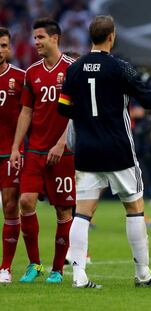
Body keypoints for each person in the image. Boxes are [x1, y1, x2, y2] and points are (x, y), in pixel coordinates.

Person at [57, 15, 151, 289]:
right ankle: (143, 274)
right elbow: (145, 97)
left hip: (87, 150)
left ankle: (80, 277)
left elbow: (63, 108)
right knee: (134, 209)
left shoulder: (75, 69)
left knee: (82, 213)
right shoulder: (120, 68)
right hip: (118, 149)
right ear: (111, 37)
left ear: (90, 36)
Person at [10, 18, 76, 284]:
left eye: (40, 37)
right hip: (35, 150)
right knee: (25, 201)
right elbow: (26, 111)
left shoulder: (72, 69)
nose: (35, 42)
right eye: (35, 38)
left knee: (63, 211)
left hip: (63, 151)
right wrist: (17, 147)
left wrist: (62, 142)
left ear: (55, 38)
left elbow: (77, 111)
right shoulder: (31, 72)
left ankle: (58, 269)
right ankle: (34, 264)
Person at [0, 27, 25, 284]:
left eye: (3, 45)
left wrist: (19, 148)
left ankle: (5, 268)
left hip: (9, 153)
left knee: (10, 206)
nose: (0, 50)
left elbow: (29, 114)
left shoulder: (19, 78)